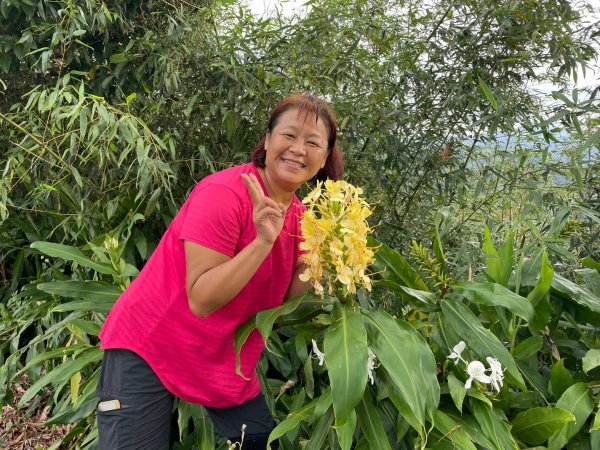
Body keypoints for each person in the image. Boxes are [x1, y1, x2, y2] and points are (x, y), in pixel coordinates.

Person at [95, 94, 344, 450]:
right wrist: (261, 243)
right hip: (151, 345)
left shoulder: (303, 219)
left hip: (219, 359)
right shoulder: (225, 193)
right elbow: (201, 298)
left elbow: (287, 298)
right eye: (289, 135)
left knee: (259, 441)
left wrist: (320, 260)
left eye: (313, 142)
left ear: (324, 158)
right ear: (269, 140)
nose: (298, 149)